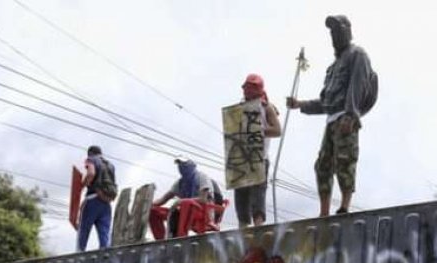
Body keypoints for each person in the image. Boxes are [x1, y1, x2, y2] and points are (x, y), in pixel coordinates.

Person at [287, 15, 376, 217]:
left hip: (345, 118)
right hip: (331, 121)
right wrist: (300, 104)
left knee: (344, 161)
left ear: (347, 31)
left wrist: (351, 115)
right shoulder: (333, 66)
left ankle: (344, 206)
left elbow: (358, 85)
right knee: (323, 166)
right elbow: (326, 102)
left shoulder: (357, 55)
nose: (335, 35)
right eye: (332, 32)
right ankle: (324, 211)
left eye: (338, 30)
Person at [233, 74, 282, 228]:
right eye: (246, 86)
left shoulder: (266, 107)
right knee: (241, 195)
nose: (247, 90)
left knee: (257, 194)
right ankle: (243, 229)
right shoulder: (239, 108)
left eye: (251, 87)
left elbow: (277, 130)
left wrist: (257, 130)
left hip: (259, 157)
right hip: (242, 158)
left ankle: (258, 227)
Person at [150, 158, 226, 239]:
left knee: (185, 203)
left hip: (204, 212)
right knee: (153, 211)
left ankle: (180, 238)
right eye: (180, 166)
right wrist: (148, 204)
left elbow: (203, 199)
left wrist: (180, 201)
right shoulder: (180, 183)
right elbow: (163, 200)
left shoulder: (202, 177)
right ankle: (160, 240)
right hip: (185, 213)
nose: (182, 168)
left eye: (184, 165)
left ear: (192, 166)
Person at [78, 145, 116, 251]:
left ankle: (78, 259)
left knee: (83, 231)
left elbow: (91, 173)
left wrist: (82, 185)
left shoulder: (91, 159)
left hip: (93, 199)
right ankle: (105, 260)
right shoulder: (110, 165)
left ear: (90, 153)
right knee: (104, 235)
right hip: (106, 202)